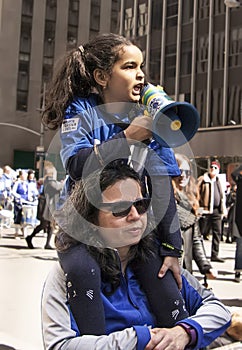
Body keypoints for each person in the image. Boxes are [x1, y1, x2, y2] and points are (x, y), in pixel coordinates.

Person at [42, 33, 188, 328]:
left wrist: (172, 250)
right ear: (102, 76)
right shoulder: (82, 111)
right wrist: (127, 138)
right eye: (130, 66)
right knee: (84, 272)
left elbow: (161, 187)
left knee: (165, 287)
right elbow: (77, 165)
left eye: (142, 66)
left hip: (133, 233)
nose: (141, 74)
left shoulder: (149, 118)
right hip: (84, 231)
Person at [42, 161, 231, 350]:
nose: (135, 215)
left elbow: (218, 310)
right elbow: (59, 345)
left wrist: (184, 332)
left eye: (141, 205)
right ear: (91, 218)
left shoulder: (160, 263)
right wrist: (139, 337)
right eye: (120, 209)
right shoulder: (67, 273)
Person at [172, 153, 217, 283]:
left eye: (187, 171)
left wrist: (206, 267)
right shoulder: (164, 199)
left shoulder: (190, 199)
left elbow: (196, 239)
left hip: (186, 269)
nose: (183, 175)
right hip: (168, 269)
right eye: (179, 171)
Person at [25, 166, 63, 249]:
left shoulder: (50, 181)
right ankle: (30, 237)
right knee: (44, 224)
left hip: (49, 206)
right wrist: (64, 183)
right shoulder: (49, 181)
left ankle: (47, 244)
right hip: (46, 207)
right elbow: (57, 187)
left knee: (50, 225)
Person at [197, 159, 227, 263]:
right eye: (211, 167)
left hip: (217, 210)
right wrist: (198, 209)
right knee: (201, 233)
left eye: (215, 168)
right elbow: (197, 194)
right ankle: (200, 256)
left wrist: (224, 209)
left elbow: (223, 196)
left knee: (217, 233)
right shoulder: (202, 179)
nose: (212, 169)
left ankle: (215, 254)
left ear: (218, 170)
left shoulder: (219, 181)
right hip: (205, 210)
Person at [12, 170, 38, 238]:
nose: (26, 176)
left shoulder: (26, 183)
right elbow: (13, 192)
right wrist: (19, 197)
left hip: (25, 202)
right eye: (24, 175)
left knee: (25, 218)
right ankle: (16, 233)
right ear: (21, 175)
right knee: (18, 217)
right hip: (18, 202)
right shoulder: (17, 183)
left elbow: (28, 192)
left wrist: (30, 197)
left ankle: (25, 233)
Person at [231, 165, 242, 283]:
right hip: (240, 221)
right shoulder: (240, 180)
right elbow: (234, 173)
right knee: (240, 247)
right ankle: (238, 270)